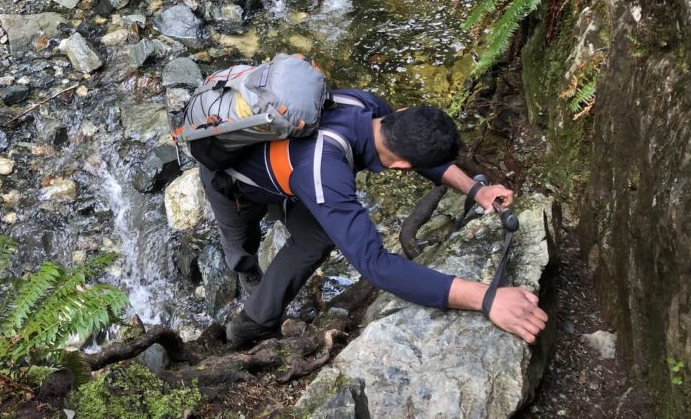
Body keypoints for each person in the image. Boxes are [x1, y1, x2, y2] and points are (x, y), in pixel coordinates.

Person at [190, 88, 548, 348]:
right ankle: (245, 290)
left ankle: (251, 323)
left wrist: (475, 190)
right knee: (241, 245)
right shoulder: (325, 171)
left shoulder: (366, 106)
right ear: (404, 167)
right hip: (235, 184)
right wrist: (486, 298)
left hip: (293, 173)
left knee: (317, 237)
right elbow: (376, 265)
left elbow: (420, 154)